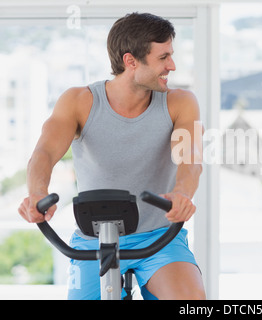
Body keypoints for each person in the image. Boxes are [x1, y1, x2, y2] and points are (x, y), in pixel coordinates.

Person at [18, 12, 205, 300]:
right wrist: (37, 194)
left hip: (159, 238)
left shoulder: (180, 102)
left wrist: (182, 193)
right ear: (131, 61)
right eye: (163, 57)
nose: (172, 66)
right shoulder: (79, 101)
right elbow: (44, 152)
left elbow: (190, 157)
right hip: (94, 240)